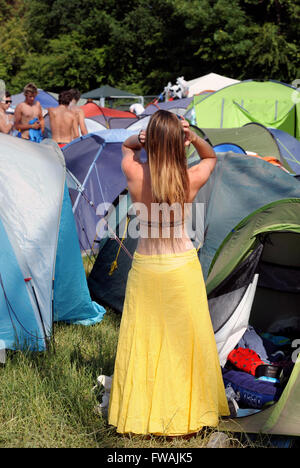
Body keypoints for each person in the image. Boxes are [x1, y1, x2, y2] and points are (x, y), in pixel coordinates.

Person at [108, 110, 230, 437]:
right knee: (186, 343)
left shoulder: (135, 173)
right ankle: (186, 417)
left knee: (143, 342)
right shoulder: (188, 178)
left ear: (152, 141)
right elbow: (211, 156)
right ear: (179, 142)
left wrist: (140, 139)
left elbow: (126, 147)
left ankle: (142, 418)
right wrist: (192, 137)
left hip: (146, 268)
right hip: (182, 268)